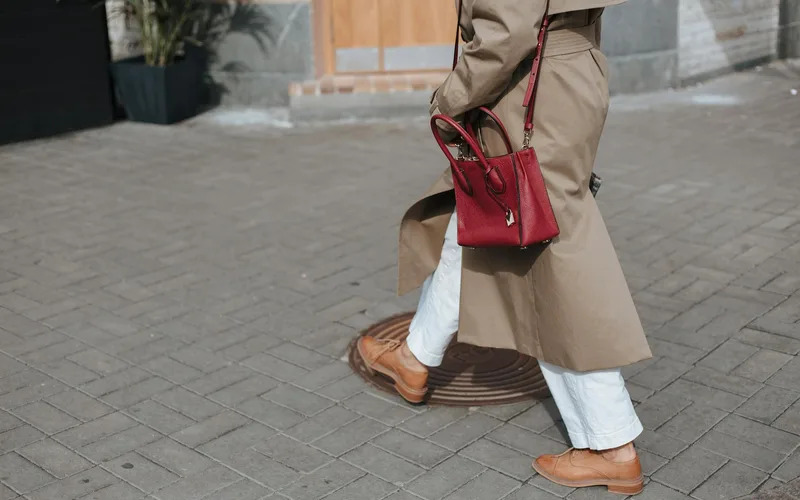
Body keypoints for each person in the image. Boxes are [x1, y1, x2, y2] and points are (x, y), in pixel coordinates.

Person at [358, 0, 653, 496]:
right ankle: (415, 355)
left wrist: (447, 98)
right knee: (495, 213)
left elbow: (506, 29)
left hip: (530, 78)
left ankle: (612, 444)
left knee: (547, 250)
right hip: (562, 65)